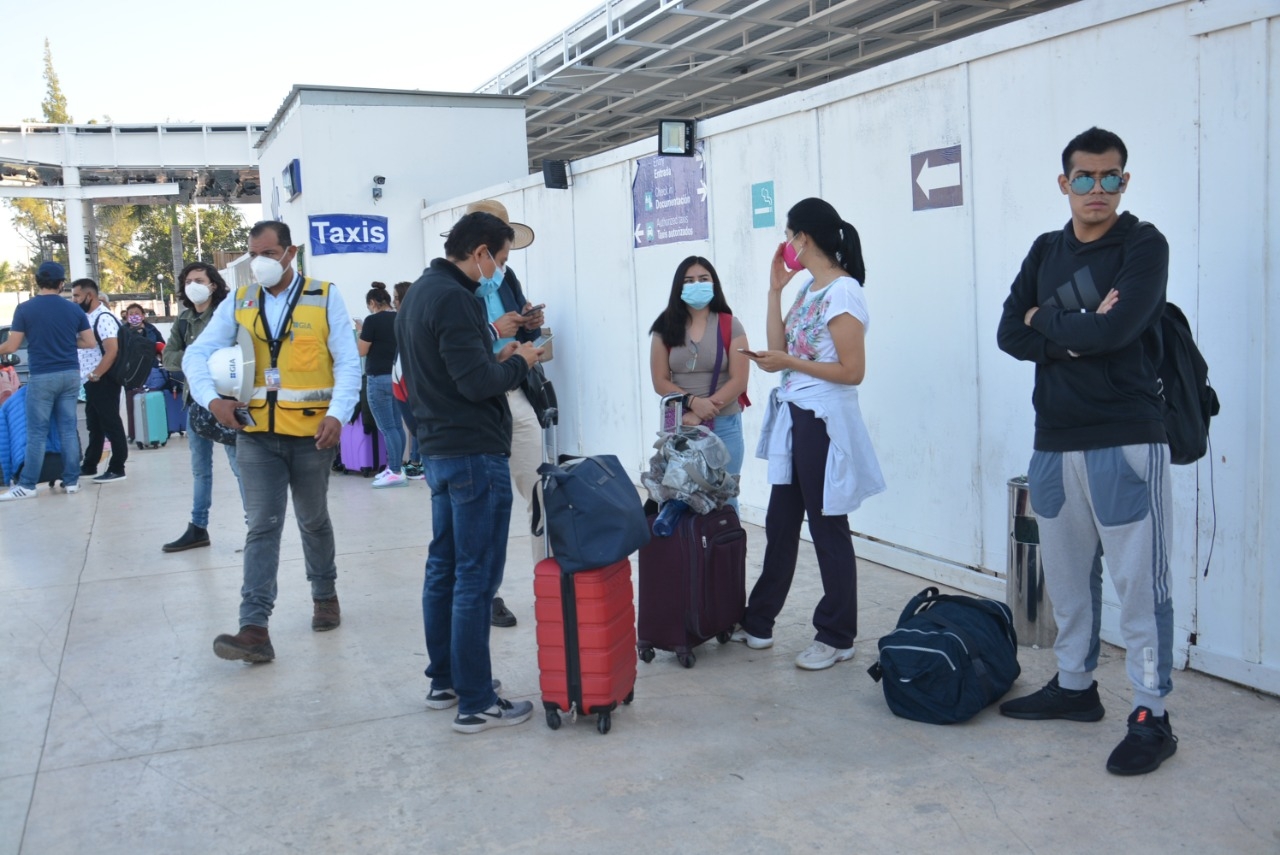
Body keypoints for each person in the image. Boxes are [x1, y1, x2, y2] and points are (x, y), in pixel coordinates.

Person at [996, 127, 1177, 776]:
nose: (1096, 189)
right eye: (1085, 177)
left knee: (1140, 588)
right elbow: (1009, 330)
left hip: (1125, 439)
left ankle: (1153, 713)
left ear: (1123, 183)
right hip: (1054, 443)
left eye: (1110, 178)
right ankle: (1076, 686)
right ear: (1064, 182)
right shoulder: (1047, 249)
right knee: (1068, 583)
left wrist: (1050, 322)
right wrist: (1070, 330)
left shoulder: (1143, 245)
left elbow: (1119, 327)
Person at [183, 220, 361, 663]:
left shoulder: (324, 296)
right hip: (257, 436)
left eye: (268, 253)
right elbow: (195, 354)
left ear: (290, 251)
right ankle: (254, 628)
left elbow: (347, 363)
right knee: (261, 526)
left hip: (312, 436)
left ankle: (325, 594)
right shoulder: (241, 300)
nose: (260, 262)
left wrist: (339, 414)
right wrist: (212, 401)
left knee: (313, 520)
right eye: (254, 254)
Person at [396, 211, 541, 733]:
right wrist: (520, 359)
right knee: (475, 577)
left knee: (446, 568)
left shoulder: (420, 292)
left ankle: (447, 679)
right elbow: (479, 383)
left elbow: (450, 369)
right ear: (480, 252)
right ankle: (476, 701)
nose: (499, 270)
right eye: (499, 260)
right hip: (472, 452)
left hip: (439, 448)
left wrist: (497, 350)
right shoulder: (455, 297)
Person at [729, 197, 885, 670]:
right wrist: (776, 290)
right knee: (781, 521)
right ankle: (759, 621)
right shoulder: (808, 289)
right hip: (797, 415)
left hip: (823, 418)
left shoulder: (843, 291)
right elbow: (778, 348)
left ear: (804, 237)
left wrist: (790, 364)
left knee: (825, 524)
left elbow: (852, 370)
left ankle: (837, 635)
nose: (786, 244)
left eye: (789, 234)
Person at [463, 199, 546, 628]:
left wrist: (529, 322)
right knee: (486, 504)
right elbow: (461, 346)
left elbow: (523, 324)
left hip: (515, 390)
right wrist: (499, 332)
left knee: (540, 490)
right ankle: (486, 593)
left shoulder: (506, 275)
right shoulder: (454, 286)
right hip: (478, 402)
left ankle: (548, 579)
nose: (502, 258)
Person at [648, 256, 750, 513]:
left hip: (724, 424)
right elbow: (660, 380)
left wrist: (706, 409)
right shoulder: (665, 325)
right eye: (689, 280)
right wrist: (692, 404)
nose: (697, 285)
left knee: (723, 497)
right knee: (678, 495)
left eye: (703, 279)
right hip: (678, 423)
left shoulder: (730, 324)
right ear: (678, 287)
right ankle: (686, 552)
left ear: (714, 284)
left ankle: (726, 552)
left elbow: (739, 380)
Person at [160, 262, 245, 552]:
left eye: (198, 279)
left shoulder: (226, 315)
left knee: (240, 468)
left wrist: (196, 360)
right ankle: (198, 528)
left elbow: (238, 353)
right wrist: (199, 358)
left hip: (227, 402)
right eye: (187, 281)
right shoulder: (183, 320)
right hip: (195, 401)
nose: (192, 285)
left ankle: (255, 529)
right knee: (200, 470)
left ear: (213, 285)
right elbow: (168, 358)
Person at [0, 262, 95, 501]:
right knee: (68, 429)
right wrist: (64, 342)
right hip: (71, 375)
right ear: (61, 283)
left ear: (37, 281)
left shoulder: (25, 309)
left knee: (37, 432)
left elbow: (11, 347)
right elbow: (89, 342)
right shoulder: (74, 310)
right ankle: (72, 481)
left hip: (42, 376)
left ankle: (28, 484)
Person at [71, 278, 129, 484]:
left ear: (90, 296)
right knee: (94, 425)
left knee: (110, 423)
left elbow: (112, 350)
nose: (74, 300)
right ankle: (89, 464)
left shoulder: (102, 318)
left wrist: (96, 374)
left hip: (103, 379)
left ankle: (117, 467)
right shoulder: (88, 318)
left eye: (77, 295)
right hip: (92, 380)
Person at [358, 282, 408, 488]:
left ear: (372, 302)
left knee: (387, 427)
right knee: (397, 425)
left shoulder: (371, 321)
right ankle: (396, 468)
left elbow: (361, 351)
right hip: (398, 377)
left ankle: (395, 470)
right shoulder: (400, 318)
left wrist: (361, 331)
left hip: (378, 378)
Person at [391, 280, 423, 480]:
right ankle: (416, 461)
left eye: (396, 297)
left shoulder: (412, 321)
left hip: (411, 387)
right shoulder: (400, 320)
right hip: (401, 384)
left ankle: (416, 462)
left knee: (416, 427)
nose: (394, 302)